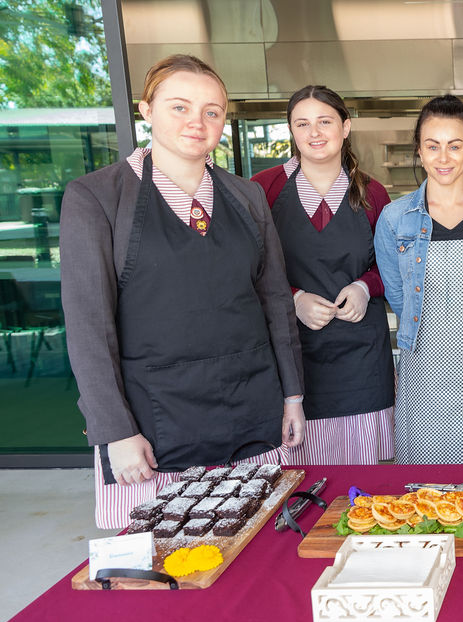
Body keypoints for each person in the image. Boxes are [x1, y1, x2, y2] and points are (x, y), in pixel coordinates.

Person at [60, 55, 304, 528]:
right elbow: (89, 326)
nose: (197, 122)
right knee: (163, 567)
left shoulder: (246, 196)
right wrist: (116, 432)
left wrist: (291, 394)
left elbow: (275, 300)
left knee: (252, 543)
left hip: (249, 403)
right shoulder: (97, 197)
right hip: (154, 419)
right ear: (146, 110)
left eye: (212, 111)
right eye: (179, 107)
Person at [252, 86, 394, 465]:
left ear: (345, 127)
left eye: (325, 122)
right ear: (292, 132)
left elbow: (395, 264)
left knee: (363, 484)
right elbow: (249, 268)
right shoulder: (262, 190)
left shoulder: (373, 193)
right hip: (292, 358)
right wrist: (294, 298)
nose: (314, 133)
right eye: (303, 124)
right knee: (301, 478)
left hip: (360, 358)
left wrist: (366, 286)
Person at [374, 95, 463, 464]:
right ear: (419, 152)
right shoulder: (394, 219)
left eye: (454, 146)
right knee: (424, 488)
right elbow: (399, 297)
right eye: (432, 146)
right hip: (424, 366)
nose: (443, 157)